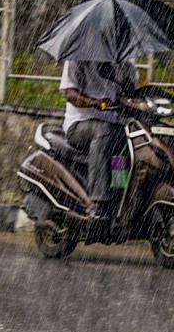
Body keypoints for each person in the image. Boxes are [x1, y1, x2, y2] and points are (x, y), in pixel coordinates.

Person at [59, 59, 139, 224]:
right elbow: (70, 93)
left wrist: (124, 82)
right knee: (104, 131)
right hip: (79, 124)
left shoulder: (126, 65)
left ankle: (118, 194)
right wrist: (95, 103)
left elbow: (133, 96)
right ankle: (97, 203)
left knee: (125, 140)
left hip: (113, 125)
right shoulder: (78, 58)